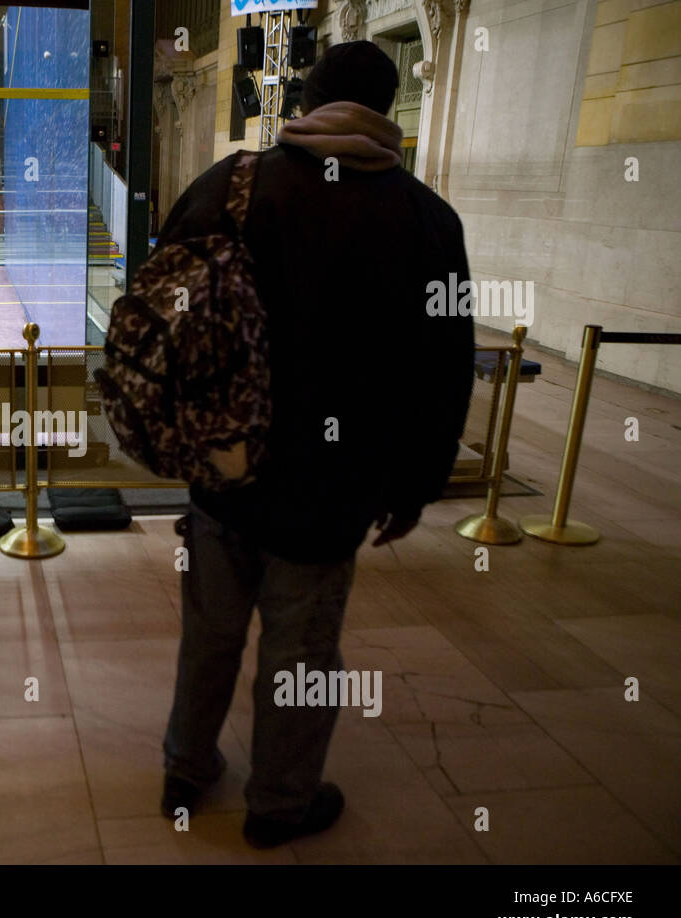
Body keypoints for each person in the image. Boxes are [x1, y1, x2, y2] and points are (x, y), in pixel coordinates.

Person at [158, 41, 475, 848]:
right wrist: (417, 483)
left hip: (224, 469)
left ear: (309, 97)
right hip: (331, 488)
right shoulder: (429, 221)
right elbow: (445, 366)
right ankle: (281, 803)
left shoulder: (230, 183)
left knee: (210, 632)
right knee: (299, 652)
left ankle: (187, 769)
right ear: (389, 107)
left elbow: (160, 300)